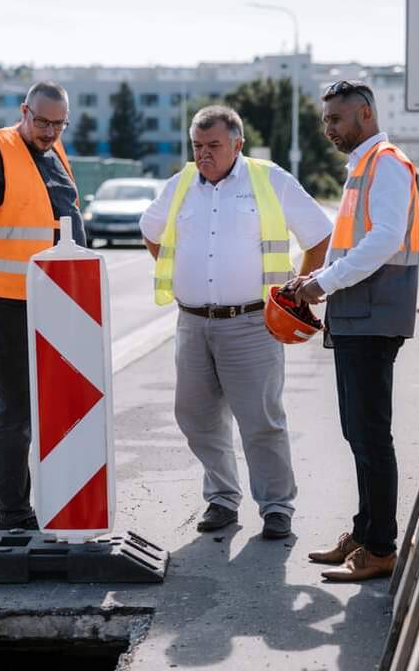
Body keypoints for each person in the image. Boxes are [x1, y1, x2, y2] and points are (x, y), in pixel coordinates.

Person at [140, 105, 332, 540]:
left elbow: (320, 236)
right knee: (196, 416)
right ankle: (223, 499)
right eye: (197, 147)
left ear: (237, 144)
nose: (203, 155)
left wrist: (298, 289)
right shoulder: (182, 184)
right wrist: (179, 268)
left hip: (251, 323)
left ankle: (277, 506)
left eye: (213, 146)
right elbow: (151, 231)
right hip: (192, 322)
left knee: (261, 420)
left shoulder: (270, 179)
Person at [287, 80, 419, 581]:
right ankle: (364, 533)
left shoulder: (385, 162)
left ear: (364, 114)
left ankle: (381, 548)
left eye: (335, 120)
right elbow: (351, 244)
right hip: (357, 313)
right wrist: (318, 279)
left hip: (373, 314)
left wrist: (323, 281)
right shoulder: (363, 166)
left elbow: (384, 239)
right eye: (325, 121)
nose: (328, 130)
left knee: (370, 434)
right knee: (357, 432)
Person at [0, 81, 85, 531]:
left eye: (58, 124)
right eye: (41, 121)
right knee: (17, 410)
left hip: (53, 299)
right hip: (3, 300)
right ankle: (13, 514)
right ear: (24, 111)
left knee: (58, 404)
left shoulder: (55, 154)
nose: (48, 131)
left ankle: (58, 502)